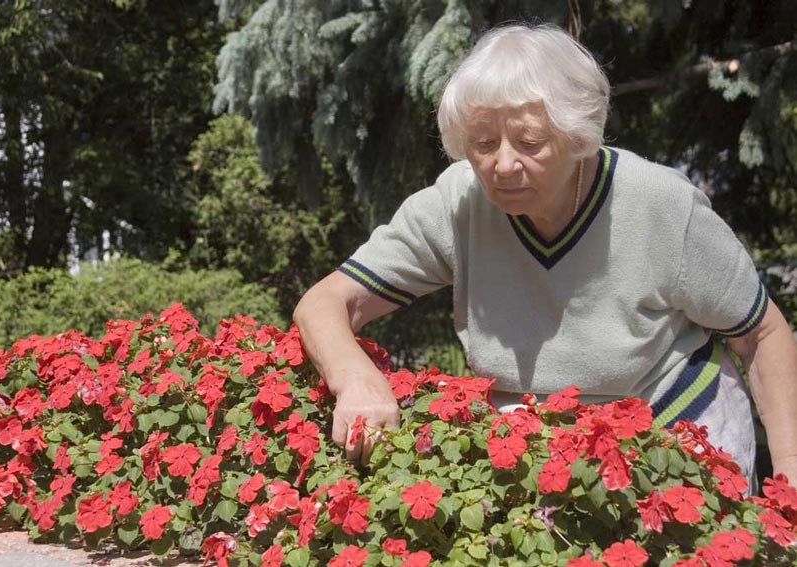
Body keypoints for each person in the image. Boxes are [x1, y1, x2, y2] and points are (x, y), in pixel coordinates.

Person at [292, 23, 797, 489]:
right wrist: (355, 379)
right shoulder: (458, 203)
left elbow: (763, 333)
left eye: (530, 141)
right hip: (536, 441)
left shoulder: (660, 206)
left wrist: (791, 473)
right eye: (484, 142)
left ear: (577, 135)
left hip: (675, 424)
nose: (503, 164)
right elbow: (327, 302)